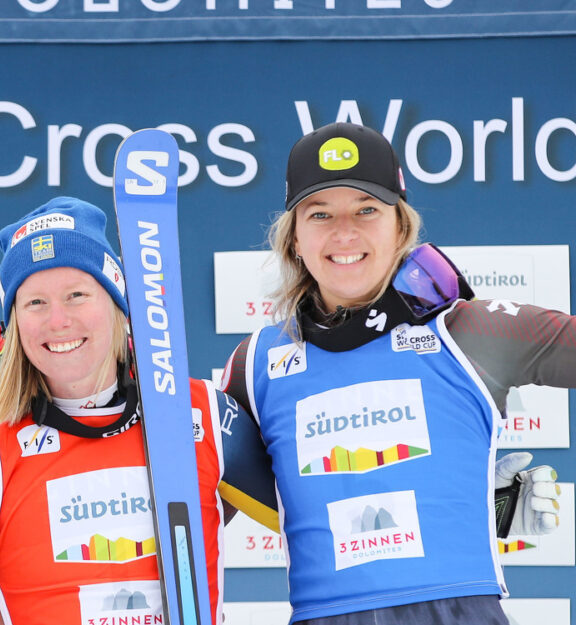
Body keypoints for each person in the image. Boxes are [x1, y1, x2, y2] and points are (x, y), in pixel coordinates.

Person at [218, 122, 565, 624]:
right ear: (294, 237)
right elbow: (203, 512)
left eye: (366, 209)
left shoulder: (470, 330)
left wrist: (473, 504)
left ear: (400, 227)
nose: (345, 232)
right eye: (320, 214)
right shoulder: (254, 365)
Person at [0, 197, 280, 625]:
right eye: (35, 302)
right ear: (12, 328)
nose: (58, 320)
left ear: (118, 307)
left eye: (77, 294)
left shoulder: (201, 417)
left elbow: (313, 516)